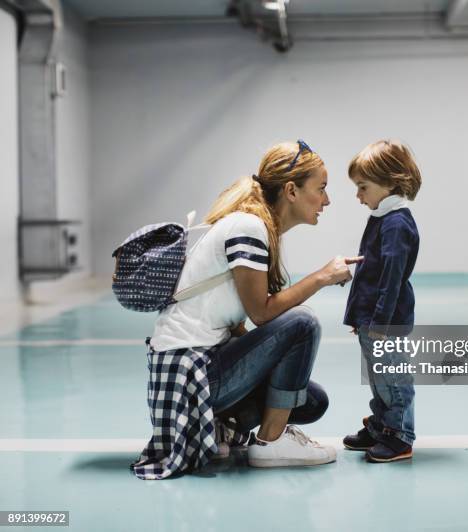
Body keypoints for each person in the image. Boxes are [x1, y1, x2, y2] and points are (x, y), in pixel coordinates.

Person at [149, 139, 363, 468]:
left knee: (312, 401)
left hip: (195, 370)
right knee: (302, 322)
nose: (327, 199)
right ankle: (270, 443)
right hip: (189, 373)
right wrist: (322, 277)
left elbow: (238, 324)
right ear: (291, 191)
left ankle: (223, 427)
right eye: (321, 189)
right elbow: (262, 314)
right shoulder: (248, 228)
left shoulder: (253, 227)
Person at [342, 139, 422, 463]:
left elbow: (390, 279)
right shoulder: (381, 217)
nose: (358, 196)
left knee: (394, 378)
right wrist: (359, 318)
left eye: (363, 187)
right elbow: (370, 272)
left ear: (390, 182)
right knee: (378, 377)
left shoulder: (397, 223)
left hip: (385, 323)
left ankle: (400, 434)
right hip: (372, 320)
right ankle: (381, 426)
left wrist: (379, 324)